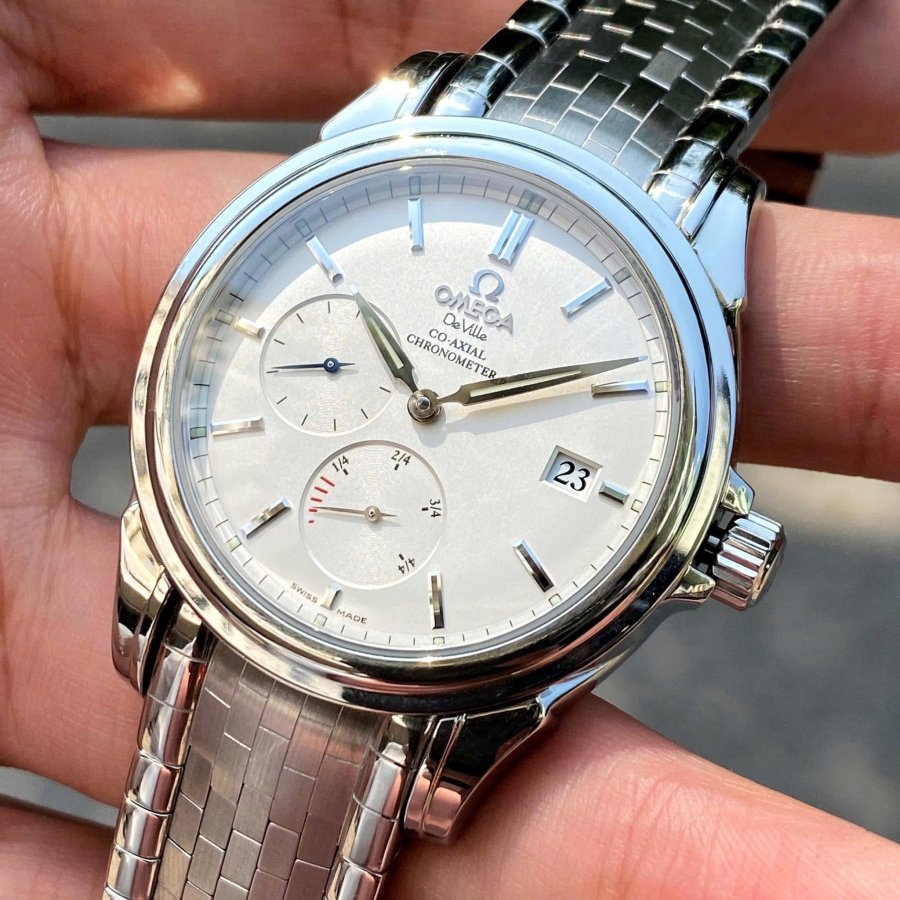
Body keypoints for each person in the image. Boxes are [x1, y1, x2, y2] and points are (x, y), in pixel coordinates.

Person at [0, 2, 897, 897]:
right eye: (417, 389)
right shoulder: (429, 126)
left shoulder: (682, 211)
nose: (427, 404)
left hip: (410, 690)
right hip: (222, 584)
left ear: (709, 546)